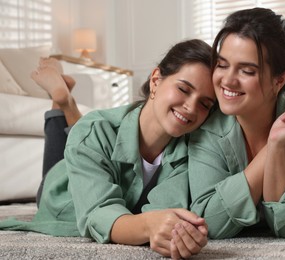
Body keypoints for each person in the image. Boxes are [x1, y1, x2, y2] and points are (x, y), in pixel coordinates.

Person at [0, 39, 216, 259]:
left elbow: (166, 214)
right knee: (84, 136)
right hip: (60, 187)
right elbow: (99, 214)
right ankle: (60, 97)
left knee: (87, 134)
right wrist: (148, 226)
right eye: (183, 89)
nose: (191, 107)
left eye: (205, 104)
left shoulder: (191, 150)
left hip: (91, 145)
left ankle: (67, 103)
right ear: (155, 80)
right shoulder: (94, 130)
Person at [188, 7, 285, 239]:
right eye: (222, 65)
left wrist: (278, 148)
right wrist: (276, 146)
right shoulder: (207, 122)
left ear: (279, 79)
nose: (228, 80)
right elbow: (210, 222)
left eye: (247, 71)